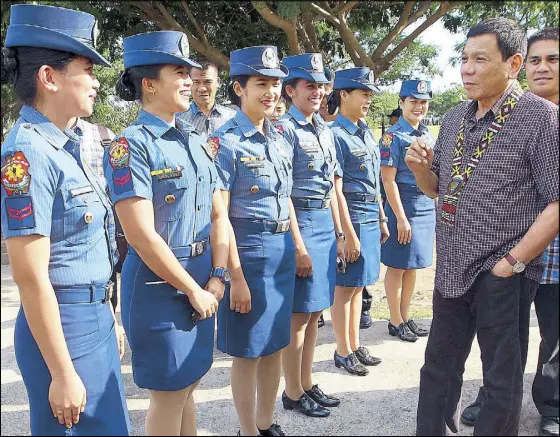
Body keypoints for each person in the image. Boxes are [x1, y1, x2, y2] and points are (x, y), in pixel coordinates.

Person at [406, 18, 559, 436]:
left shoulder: (541, 118)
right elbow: (438, 189)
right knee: (438, 368)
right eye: (464, 59)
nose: (467, 70)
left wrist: (511, 262)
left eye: (480, 60)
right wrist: (420, 171)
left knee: (500, 379)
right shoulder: (455, 117)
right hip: (452, 268)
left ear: (513, 64)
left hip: (501, 274)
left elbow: (557, 203)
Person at [0, 4, 130, 435]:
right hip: (62, 330)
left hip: (89, 318)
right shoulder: (27, 153)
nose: (96, 82)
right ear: (49, 77)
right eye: (87, 70)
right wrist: (61, 372)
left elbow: (89, 248)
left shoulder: (69, 145)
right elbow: (31, 276)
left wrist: (107, 316)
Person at [104, 31, 229, 436]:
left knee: (188, 383)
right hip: (159, 287)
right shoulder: (131, 146)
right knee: (168, 393)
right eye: (179, 72)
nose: (190, 81)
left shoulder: (196, 142)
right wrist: (193, 288)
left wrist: (219, 273)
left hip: (202, 275)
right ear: (149, 83)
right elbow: (140, 235)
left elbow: (217, 215)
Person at [460, 27, 560, 437]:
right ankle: (493, 394)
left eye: (553, 59)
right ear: (521, 64)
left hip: (553, 251)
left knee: (554, 335)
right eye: (535, 59)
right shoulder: (501, 113)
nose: (542, 67)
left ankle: (550, 404)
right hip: (507, 250)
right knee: (501, 332)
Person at [212, 45, 295, 437]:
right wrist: (237, 277)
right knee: (247, 351)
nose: (270, 92)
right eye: (261, 83)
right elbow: (220, 217)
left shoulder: (279, 136)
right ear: (238, 88)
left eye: (275, 84)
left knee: (276, 344)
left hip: (280, 256)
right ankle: (247, 430)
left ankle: (266, 421)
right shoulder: (225, 141)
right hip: (247, 253)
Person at [276, 53, 343, 418]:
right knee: (299, 316)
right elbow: (283, 192)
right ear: (291, 90)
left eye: (320, 86)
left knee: (316, 312)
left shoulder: (323, 128)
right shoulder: (285, 130)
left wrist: (339, 231)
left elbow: (331, 185)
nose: (317, 92)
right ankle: (291, 391)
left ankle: (306, 381)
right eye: (309, 86)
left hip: (323, 227)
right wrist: (298, 246)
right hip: (300, 225)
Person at [329, 67, 390, 377]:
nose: (368, 99)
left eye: (370, 94)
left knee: (358, 288)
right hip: (350, 216)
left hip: (369, 215)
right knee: (345, 289)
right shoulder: (335, 135)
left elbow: (375, 182)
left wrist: (381, 217)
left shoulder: (365, 130)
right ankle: (342, 350)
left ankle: (354, 344)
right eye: (363, 93)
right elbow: (334, 190)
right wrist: (345, 234)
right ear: (344, 94)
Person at [379, 80, 435, 343]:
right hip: (403, 206)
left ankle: (405, 315)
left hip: (425, 206)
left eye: (423, 102)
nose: (419, 106)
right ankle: (394, 319)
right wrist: (400, 218)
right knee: (398, 264)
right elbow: (388, 181)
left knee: (413, 265)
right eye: (413, 101)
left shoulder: (426, 134)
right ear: (401, 103)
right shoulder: (392, 136)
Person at [177, 58, 236, 136]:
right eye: (196, 82)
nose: (202, 88)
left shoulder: (233, 118)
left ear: (218, 82)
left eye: (207, 82)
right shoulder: (178, 119)